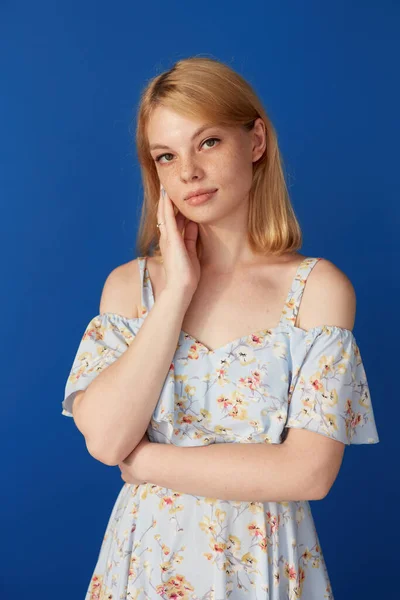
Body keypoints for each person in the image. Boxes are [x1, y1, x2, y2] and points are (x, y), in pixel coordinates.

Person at [62, 57, 379, 599]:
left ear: (255, 141)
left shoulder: (317, 290)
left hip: (265, 565)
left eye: (207, 142)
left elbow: (308, 474)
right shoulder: (129, 289)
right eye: (167, 155)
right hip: (144, 565)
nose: (187, 172)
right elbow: (107, 437)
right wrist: (177, 292)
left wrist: (146, 462)